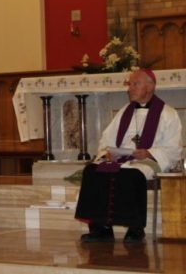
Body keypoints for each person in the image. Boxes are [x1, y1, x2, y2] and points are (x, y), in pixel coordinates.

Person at [75, 69, 182, 243]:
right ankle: (100, 228)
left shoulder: (168, 114)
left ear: (149, 87)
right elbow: (107, 138)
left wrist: (148, 152)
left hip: (148, 160)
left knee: (133, 175)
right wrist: (108, 152)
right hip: (120, 158)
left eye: (135, 84)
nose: (129, 89)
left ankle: (135, 228)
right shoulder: (125, 111)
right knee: (91, 171)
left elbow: (174, 149)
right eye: (130, 84)